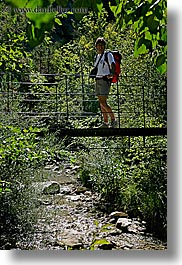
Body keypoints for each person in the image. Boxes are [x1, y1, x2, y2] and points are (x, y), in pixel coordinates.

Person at [93, 37, 117, 128]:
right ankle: (105, 123)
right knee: (101, 102)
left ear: (104, 46)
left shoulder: (108, 54)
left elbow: (113, 64)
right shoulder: (97, 56)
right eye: (98, 45)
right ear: (96, 46)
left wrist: (112, 73)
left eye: (102, 45)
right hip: (98, 80)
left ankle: (113, 120)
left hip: (104, 80)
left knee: (103, 102)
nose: (100, 47)